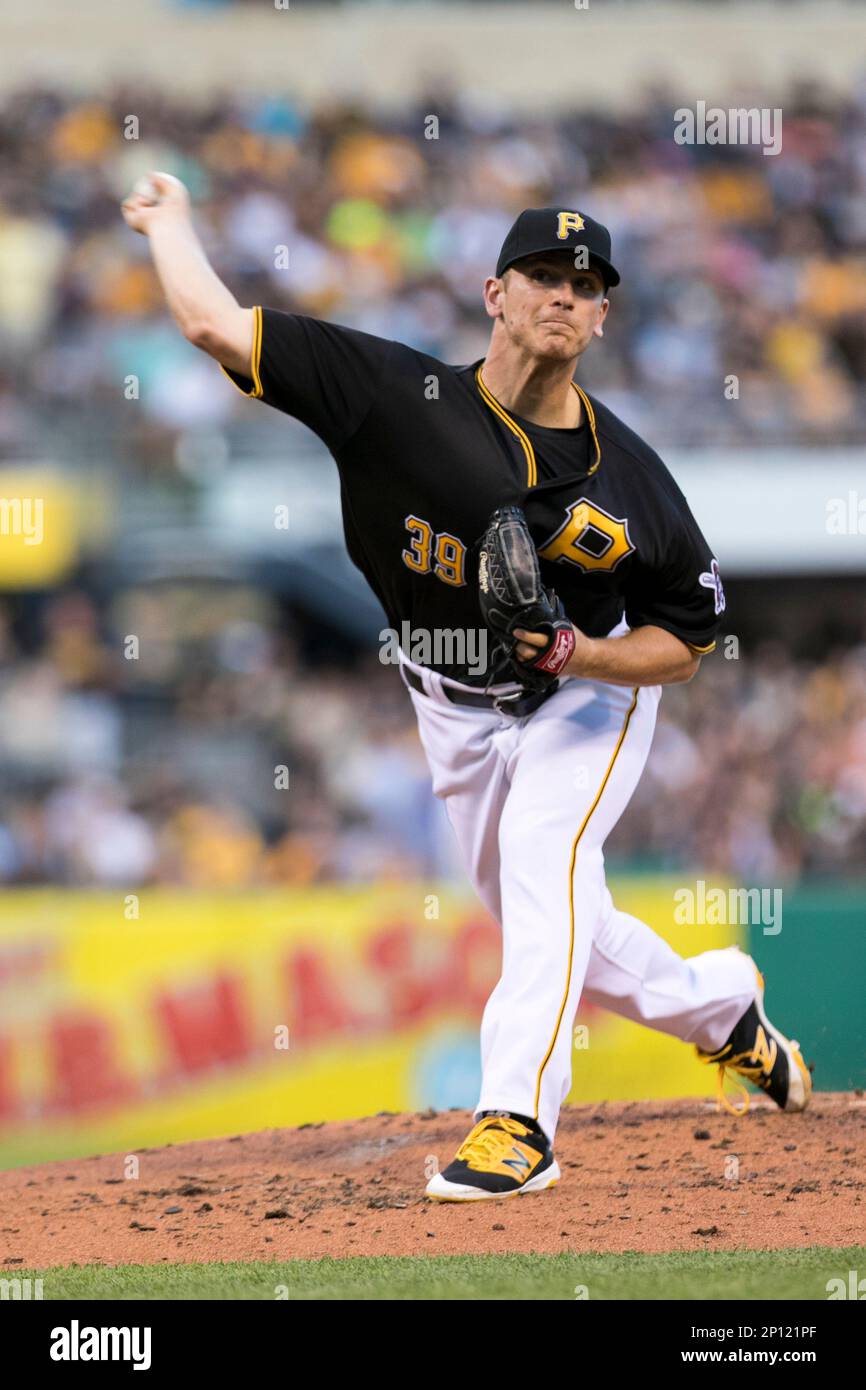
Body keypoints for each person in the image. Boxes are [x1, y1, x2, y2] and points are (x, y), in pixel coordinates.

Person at [122, 176, 812, 1203]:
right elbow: (211, 324)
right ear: (493, 292)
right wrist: (168, 222)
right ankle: (720, 1009)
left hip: (586, 694)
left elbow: (687, 639)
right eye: (543, 275)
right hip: (444, 700)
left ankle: (514, 1125)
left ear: (604, 316)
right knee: (551, 912)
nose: (563, 296)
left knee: (544, 860)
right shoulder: (391, 396)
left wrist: (582, 655)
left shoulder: (628, 483)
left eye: (585, 284)